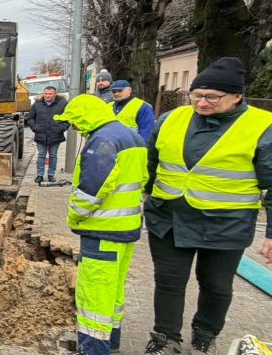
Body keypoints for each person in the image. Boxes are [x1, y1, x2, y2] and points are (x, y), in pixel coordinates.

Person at [143, 57, 272, 355]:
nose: (201, 103)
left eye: (212, 97)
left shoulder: (261, 127)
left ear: (237, 96)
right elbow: (151, 163)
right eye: (197, 95)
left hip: (226, 223)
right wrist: (146, 194)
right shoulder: (171, 119)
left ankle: (204, 333)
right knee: (169, 281)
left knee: (216, 285)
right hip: (169, 218)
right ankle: (165, 337)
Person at [54, 94, 147, 355]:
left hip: (103, 229)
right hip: (126, 228)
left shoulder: (102, 141)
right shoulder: (131, 136)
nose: (74, 128)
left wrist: (73, 217)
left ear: (86, 116)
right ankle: (112, 341)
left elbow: (91, 191)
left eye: (74, 122)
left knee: (94, 294)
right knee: (113, 291)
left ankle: (93, 349)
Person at [25, 85, 69, 183]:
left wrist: (61, 128)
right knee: (41, 155)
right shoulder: (37, 104)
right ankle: (39, 175)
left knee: (53, 155)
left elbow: (68, 118)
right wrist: (34, 127)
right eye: (45, 94)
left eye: (50, 94)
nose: (47, 96)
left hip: (56, 134)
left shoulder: (63, 104)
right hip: (41, 134)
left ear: (55, 94)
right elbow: (30, 118)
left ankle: (51, 175)